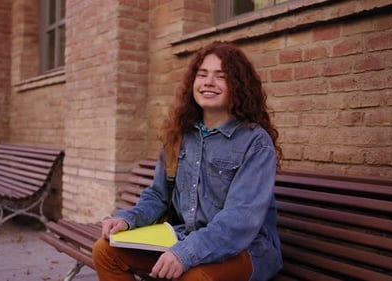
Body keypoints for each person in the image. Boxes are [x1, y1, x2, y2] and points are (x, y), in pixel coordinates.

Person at [92, 41, 283, 281]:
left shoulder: (255, 142)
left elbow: (240, 220)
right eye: (202, 75)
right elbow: (158, 196)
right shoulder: (180, 135)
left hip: (246, 250)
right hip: (182, 238)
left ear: (238, 85)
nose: (208, 83)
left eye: (220, 76)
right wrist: (127, 219)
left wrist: (186, 253)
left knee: (193, 277)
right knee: (105, 251)